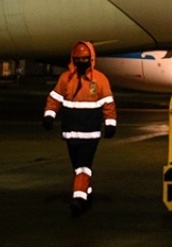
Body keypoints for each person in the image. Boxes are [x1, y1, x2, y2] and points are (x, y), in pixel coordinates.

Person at [43, 40, 117, 216]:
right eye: (78, 59)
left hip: (90, 134)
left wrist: (110, 123)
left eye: (84, 59)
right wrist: (49, 115)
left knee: (83, 166)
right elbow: (55, 98)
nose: (81, 62)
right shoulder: (66, 79)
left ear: (91, 59)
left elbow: (108, 103)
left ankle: (79, 199)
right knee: (78, 167)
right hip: (71, 133)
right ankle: (87, 192)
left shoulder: (99, 80)